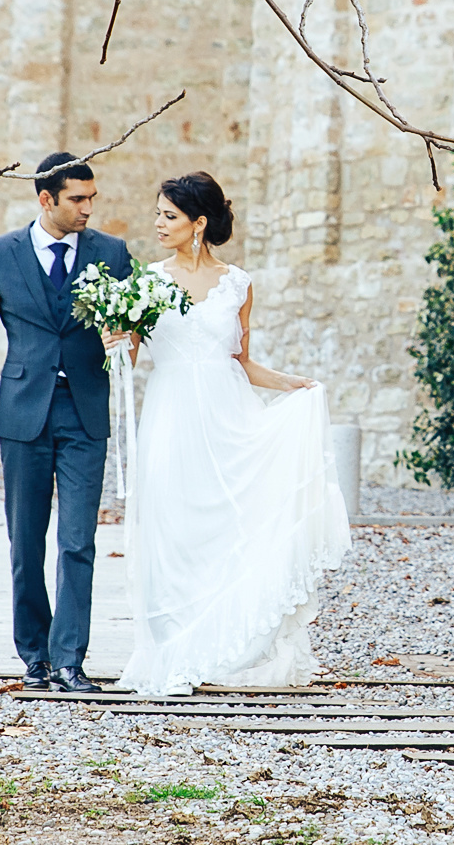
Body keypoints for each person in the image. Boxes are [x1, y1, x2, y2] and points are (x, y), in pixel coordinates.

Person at [118, 171, 350, 696]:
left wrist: (292, 384)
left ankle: (220, 646)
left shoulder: (237, 283)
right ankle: (172, 650)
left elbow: (241, 361)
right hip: (171, 414)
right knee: (171, 528)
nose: (158, 223)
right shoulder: (147, 281)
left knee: (229, 526)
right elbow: (129, 360)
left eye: (169, 216)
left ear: (198, 223)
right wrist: (115, 338)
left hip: (228, 416)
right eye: (157, 213)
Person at [0, 153, 133, 692]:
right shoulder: (0, 254)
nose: (87, 209)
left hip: (86, 415)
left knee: (78, 540)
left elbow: (131, 335)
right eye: (77, 199)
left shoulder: (112, 254)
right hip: (23, 414)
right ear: (46, 200)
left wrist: (126, 343)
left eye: (92, 198)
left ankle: (70, 658)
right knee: (26, 540)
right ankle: (35, 656)